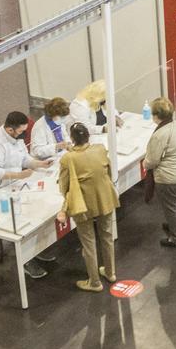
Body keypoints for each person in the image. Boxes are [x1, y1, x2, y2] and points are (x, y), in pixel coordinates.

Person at [0, 111, 54, 278]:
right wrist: (18, 175)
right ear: (10, 129)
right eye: (21, 131)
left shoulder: (17, 139)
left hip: (10, 184)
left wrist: (40, 164)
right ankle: (25, 260)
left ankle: (34, 249)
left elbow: (24, 159)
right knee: (18, 218)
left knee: (34, 208)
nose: (24, 133)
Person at [56, 122, 119, 291]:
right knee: (107, 235)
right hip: (105, 197)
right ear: (88, 136)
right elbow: (110, 171)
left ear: (72, 138)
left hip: (83, 203)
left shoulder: (67, 159)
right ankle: (111, 272)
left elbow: (64, 186)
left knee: (88, 242)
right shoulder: (99, 148)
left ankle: (94, 282)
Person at [142, 97, 176, 248]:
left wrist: (145, 164)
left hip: (169, 178)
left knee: (172, 207)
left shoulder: (159, 135)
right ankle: (173, 224)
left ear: (157, 115)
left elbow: (152, 161)